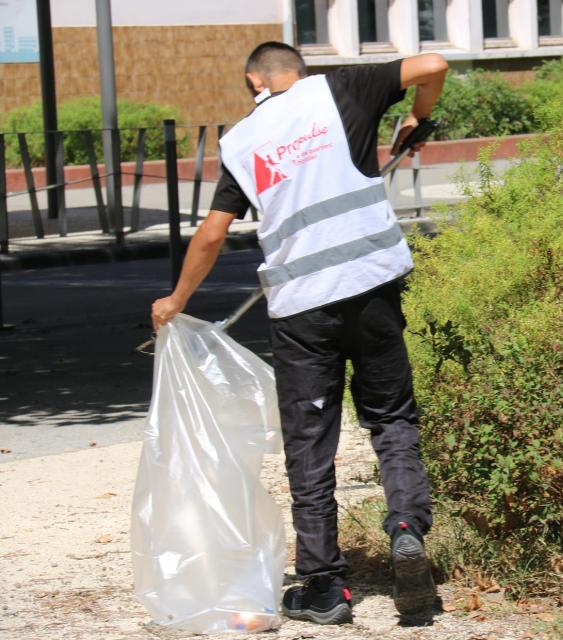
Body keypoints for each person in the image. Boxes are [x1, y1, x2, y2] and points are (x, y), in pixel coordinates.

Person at [151, 42, 448, 625]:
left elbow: (212, 235)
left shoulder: (240, 142)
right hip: (373, 287)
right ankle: (407, 526)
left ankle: (324, 587)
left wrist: (176, 300)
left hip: (302, 310)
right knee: (391, 418)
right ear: (298, 72)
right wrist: (417, 116)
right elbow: (433, 66)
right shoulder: (341, 89)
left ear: (251, 80)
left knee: (309, 443)